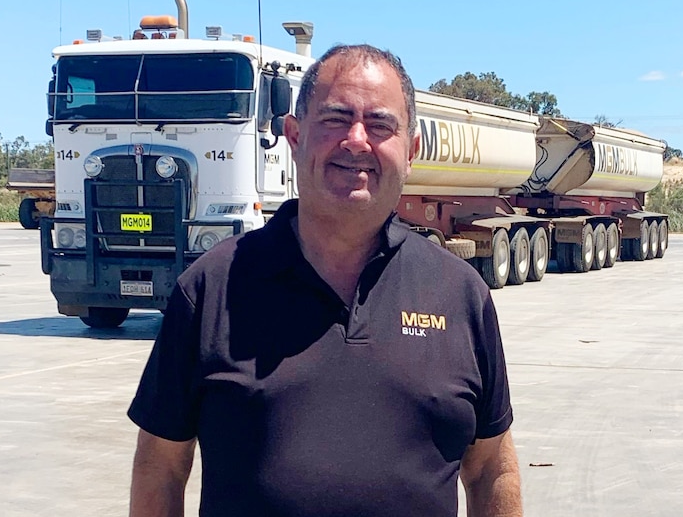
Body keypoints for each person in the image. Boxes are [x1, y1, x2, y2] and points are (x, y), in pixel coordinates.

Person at [127, 44, 521, 517]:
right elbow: (161, 466)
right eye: (335, 119)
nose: (357, 140)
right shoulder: (210, 289)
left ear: (411, 150)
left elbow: (491, 468)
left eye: (380, 125)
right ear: (294, 135)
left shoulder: (459, 294)